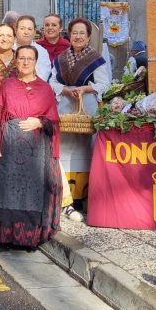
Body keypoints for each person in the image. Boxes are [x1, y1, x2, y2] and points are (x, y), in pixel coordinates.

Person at [0, 45, 62, 247]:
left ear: (36, 62)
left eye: (30, 58)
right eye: (21, 58)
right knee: (8, 190)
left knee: (33, 191)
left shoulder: (45, 89)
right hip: (9, 147)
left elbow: (54, 121)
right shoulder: (7, 86)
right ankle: (7, 237)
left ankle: (29, 238)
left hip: (36, 151)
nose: (26, 62)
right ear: (16, 61)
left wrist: (40, 122)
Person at [50, 18, 111, 222]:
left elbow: (105, 84)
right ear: (69, 35)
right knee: (65, 149)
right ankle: (67, 197)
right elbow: (52, 82)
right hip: (66, 106)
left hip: (87, 105)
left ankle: (84, 196)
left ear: (88, 36)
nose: (78, 37)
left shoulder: (96, 59)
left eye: (82, 33)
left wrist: (85, 88)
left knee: (85, 149)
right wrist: (65, 89)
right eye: (74, 33)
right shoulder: (60, 59)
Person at [14, 15, 51, 81]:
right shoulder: (9, 48)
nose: (26, 32)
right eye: (22, 28)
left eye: (29, 29)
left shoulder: (41, 52)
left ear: (34, 32)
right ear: (16, 30)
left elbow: (43, 76)